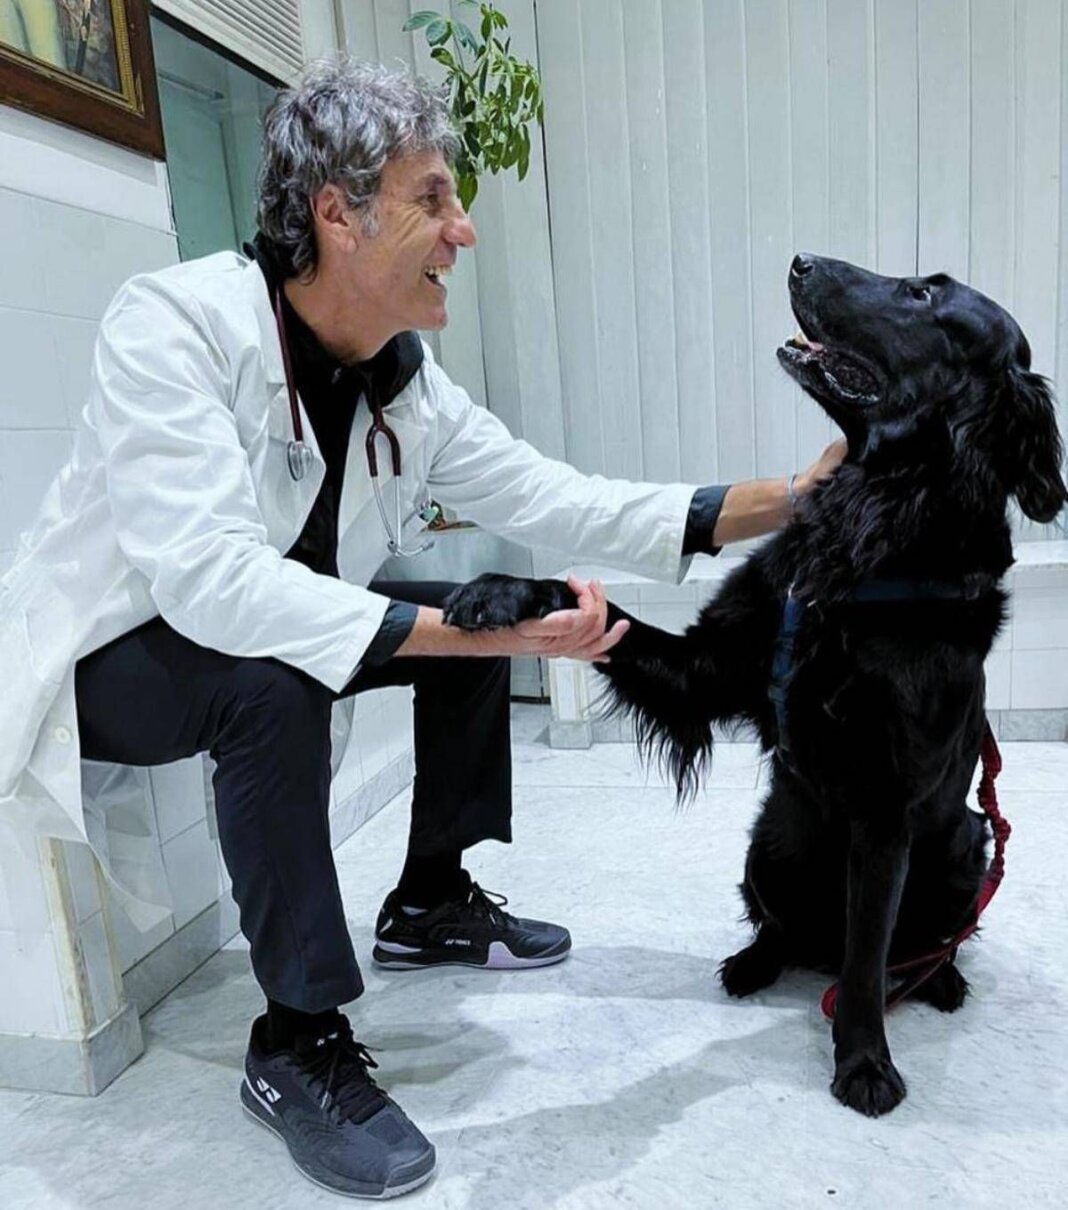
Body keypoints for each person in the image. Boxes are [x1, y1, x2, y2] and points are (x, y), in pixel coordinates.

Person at [0, 58, 845, 1199]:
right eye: (434, 198)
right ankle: (295, 1040)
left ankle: (429, 899)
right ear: (337, 214)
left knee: (489, 602)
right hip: (113, 655)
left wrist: (790, 498)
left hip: (265, 628)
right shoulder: (177, 324)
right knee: (279, 681)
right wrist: (464, 636)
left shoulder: (404, 384)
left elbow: (564, 500)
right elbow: (210, 584)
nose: (464, 229)